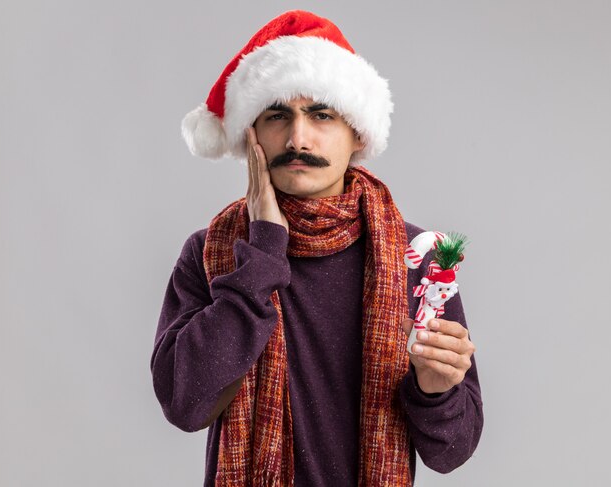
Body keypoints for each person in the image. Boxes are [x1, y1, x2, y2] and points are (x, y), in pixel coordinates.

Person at [151, 10, 483, 487]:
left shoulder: (416, 256)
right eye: (277, 115)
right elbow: (185, 403)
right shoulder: (212, 253)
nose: (297, 138)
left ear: (357, 135)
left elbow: (453, 451)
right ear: (252, 136)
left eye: (321, 115)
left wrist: (435, 391)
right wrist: (263, 249)